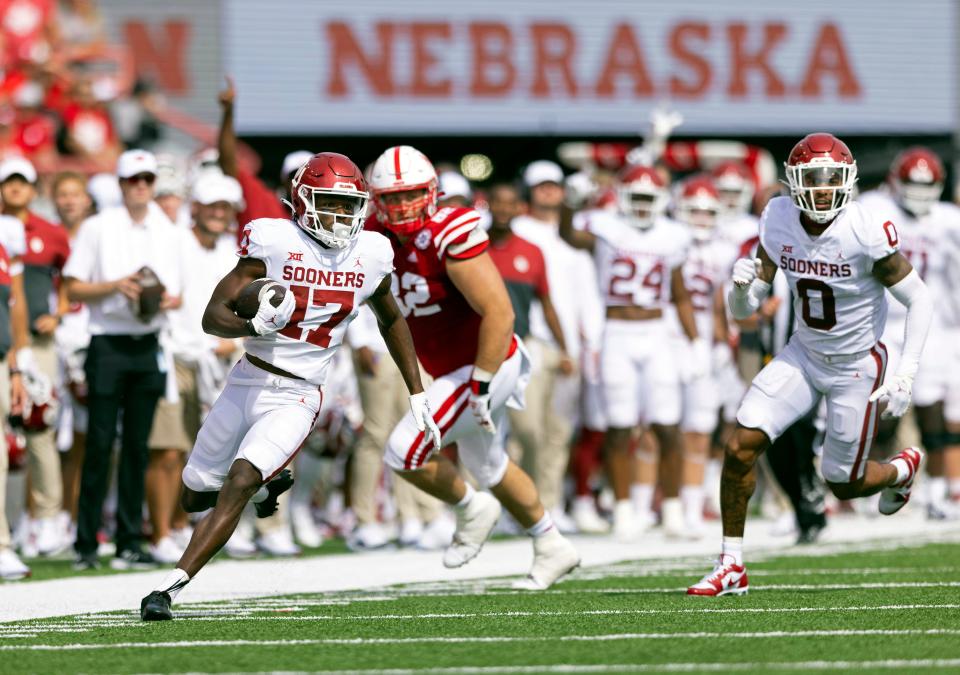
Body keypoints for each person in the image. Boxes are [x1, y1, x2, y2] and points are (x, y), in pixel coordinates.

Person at [140, 152, 438, 621]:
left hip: (300, 393)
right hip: (248, 379)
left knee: (238, 480)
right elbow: (211, 317)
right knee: (195, 493)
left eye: (348, 205)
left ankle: (169, 588)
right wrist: (253, 324)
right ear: (302, 201)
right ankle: (267, 483)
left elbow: (392, 318)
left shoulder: (372, 254)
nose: (340, 216)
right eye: (330, 203)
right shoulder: (274, 240)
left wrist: (417, 390)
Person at [688, 133, 934, 597]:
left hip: (856, 363)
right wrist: (740, 290)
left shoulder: (864, 228)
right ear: (793, 182)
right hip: (802, 352)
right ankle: (731, 565)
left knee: (843, 483)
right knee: (740, 445)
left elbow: (919, 298)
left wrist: (906, 371)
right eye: (813, 180)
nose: (823, 189)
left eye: (832, 179)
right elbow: (744, 312)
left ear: (848, 181)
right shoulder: (778, 217)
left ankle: (901, 470)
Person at [367, 145, 579, 589]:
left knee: (403, 450)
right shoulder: (371, 236)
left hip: (486, 362)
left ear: (431, 194)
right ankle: (552, 544)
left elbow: (500, 312)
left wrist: (481, 383)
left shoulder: (449, 230)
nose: (401, 206)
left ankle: (470, 507)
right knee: (490, 467)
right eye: (391, 197)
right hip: (451, 370)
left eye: (410, 195)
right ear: (376, 201)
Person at [559, 164, 707, 540]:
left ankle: (672, 510)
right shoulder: (606, 227)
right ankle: (624, 509)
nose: (641, 206)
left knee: (667, 424)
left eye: (648, 198)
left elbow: (679, 294)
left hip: (657, 332)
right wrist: (568, 205)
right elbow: (570, 236)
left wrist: (695, 341)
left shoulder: (672, 236)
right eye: (636, 198)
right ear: (624, 199)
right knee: (620, 426)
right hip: (617, 333)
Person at [63, 149, 183, 571]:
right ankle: (86, 544)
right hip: (108, 343)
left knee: (137, 446)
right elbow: (73, 287)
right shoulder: (98, 227)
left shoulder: (166, 229)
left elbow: (178, 293)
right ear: (120, 184)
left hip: (148, 342)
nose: (141, 187)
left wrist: (161, 297)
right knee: (99, 444)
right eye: (134, 180)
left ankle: (131, 540)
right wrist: (117, 287)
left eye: (147, 179)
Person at [144, 173, 245, 564]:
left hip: (215, 362)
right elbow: (165, 297)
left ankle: (179, 526)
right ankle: (160, 533)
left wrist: (233, 340)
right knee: (167, 451)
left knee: (197, 455)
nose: (219, 213)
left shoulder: (229, 251)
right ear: (197, 207)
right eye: (213, 205)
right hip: (174, 356)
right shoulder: (173, 242)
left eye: (226, 207)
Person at [859, 147, 960, 519]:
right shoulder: (875, 210)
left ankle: (936, 494)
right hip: (884, 322)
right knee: (881, 410)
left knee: (933, 409)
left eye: (927, 186)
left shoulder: (949, 220)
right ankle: (876, 484)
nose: (919, 194)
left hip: (929, 323)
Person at [511, 160, 600, 530]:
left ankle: (549, 506)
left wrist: (589, 344)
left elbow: (587, 294)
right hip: (528, 341)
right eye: (541, 185)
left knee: (559, 431)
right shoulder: (516, 229)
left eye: (554, 185)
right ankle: (519, 505)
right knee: (524, 431)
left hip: (567, 348)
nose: (548, 191)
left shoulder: (574, 235)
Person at [484, 182, 575, 518]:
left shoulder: (532, 250)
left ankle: (529, 505)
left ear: (519, 208)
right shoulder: (474, 247)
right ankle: (486, 508)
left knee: (529, 432)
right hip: (480, 348)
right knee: (480, 433)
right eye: (499, 202)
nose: (505, 210)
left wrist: (565, 348)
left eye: (511, 204)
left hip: (521, 347)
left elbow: (547, 304)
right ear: (489, 205)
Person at [0, 157, 70, 556]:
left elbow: (70, 279)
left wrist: (57, 313)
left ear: (32, 189)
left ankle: (47, 516)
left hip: (37, 344)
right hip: (1, 340)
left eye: (21, 182)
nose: (15, 189)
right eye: (8, 182)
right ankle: (13, 521)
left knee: (38, 424)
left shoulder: (50, 233)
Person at [670, 175, 738, 537]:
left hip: (702, 343)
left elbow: (717, 304)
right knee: (657, 427)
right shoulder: (666, 238)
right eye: (692, 209)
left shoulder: (724, 250)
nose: (699, 217)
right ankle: (650, 504)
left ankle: (691, 505)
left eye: (706, 211)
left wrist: (721, 343)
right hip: (664, 338)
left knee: (699, 427)